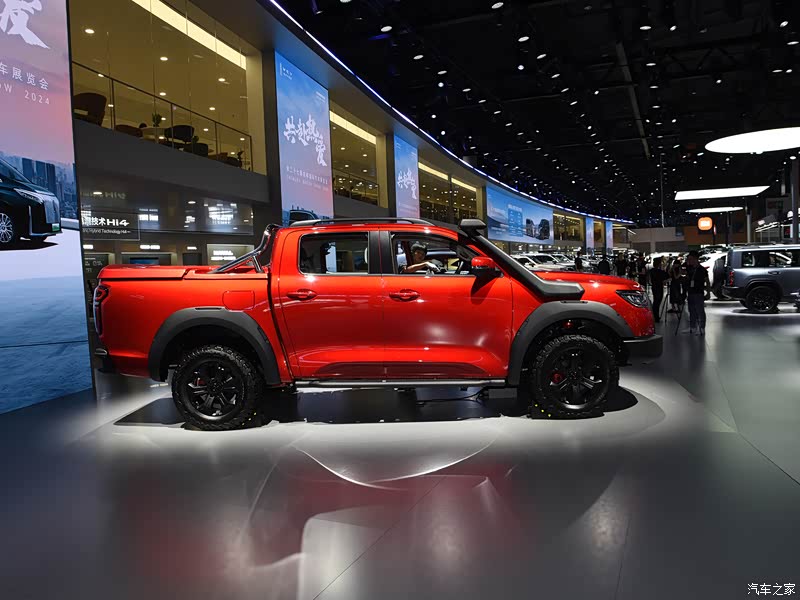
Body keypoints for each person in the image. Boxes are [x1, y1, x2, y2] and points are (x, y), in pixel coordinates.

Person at [684, 250, 709, 334]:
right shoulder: (690, 268)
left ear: (695, 259)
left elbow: (707, 281)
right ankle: (692, 327)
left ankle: (702, 328)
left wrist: (708, 292)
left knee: (700, 310)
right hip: (690, 292)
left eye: (690, 259)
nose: (689, 261)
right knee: (691, 310)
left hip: (698, 292)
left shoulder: (702, 270)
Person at [649, 257, 669, 323]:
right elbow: (666, 276)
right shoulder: (660, 271)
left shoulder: (652, 271)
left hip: (654, 287)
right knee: (658, 301)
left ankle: (655, 316)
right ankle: (656, 317)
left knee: (656, 302)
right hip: (659, 287)